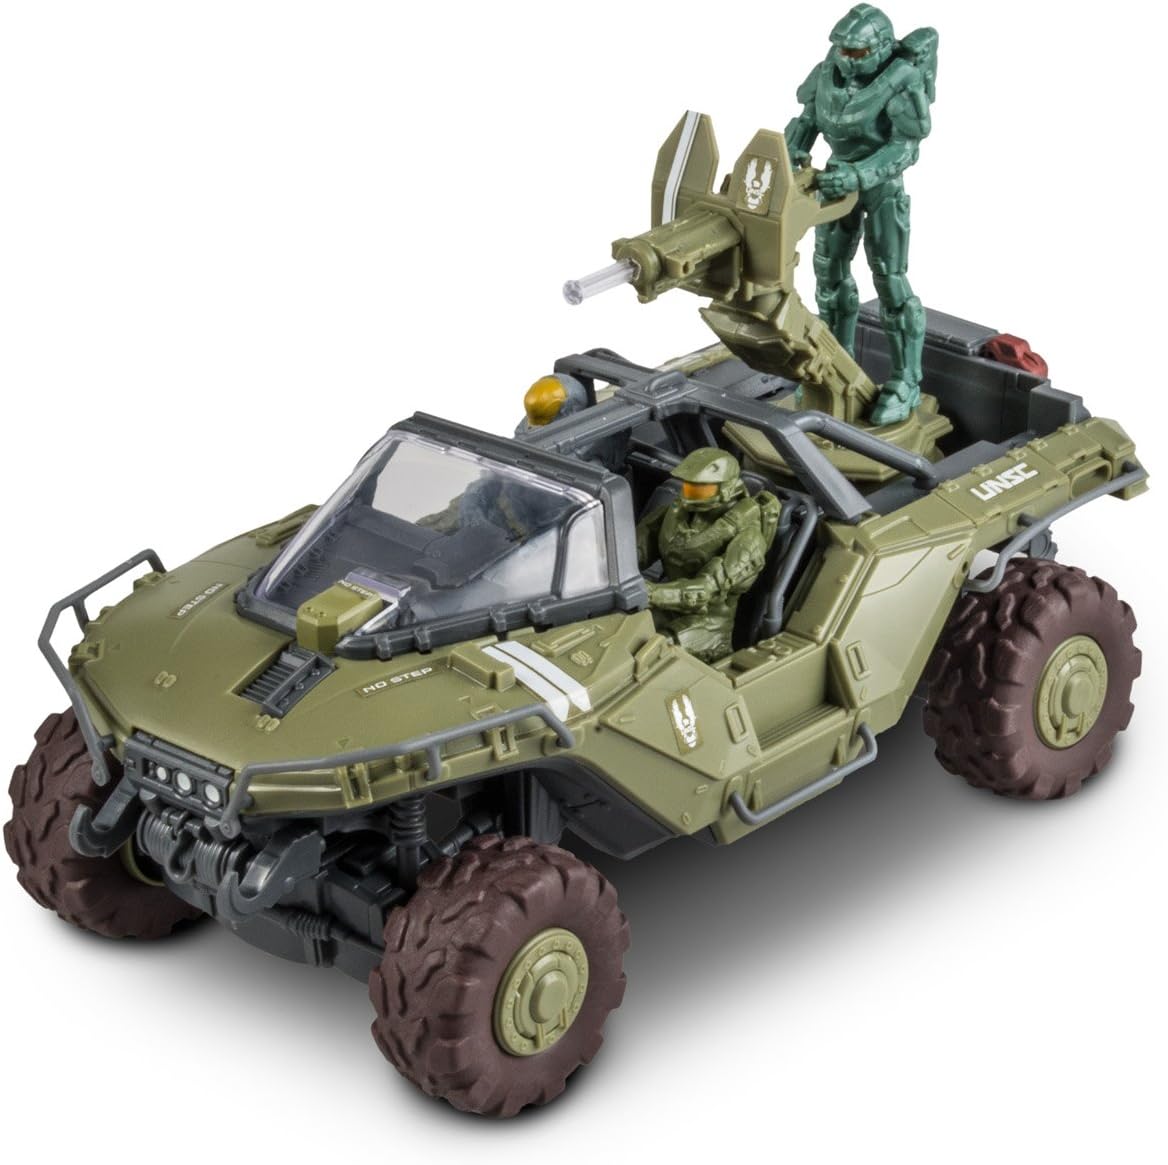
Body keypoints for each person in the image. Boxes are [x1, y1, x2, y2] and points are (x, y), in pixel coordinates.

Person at [785, 5, 938, 425]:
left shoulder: (900, 80)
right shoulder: (826, 73)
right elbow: (806, 121)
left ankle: (906, 380)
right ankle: (836, 367)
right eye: (842, 49)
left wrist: (859, 174)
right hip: (834, 185)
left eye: (857, 52)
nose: (847, 59)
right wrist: (791, 150)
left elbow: (905, 147)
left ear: (882, 48)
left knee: (890, 282)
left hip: (880, 189)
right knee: (829, 280)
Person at [637, 448, 780, 663]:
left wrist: (651, 593)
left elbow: (704, 590)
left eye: (700, 490)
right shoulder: (676, 513)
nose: (689, 495)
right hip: (666, 607)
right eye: (688, 487)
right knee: (624, 629)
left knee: (654, 652)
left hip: (709, 626)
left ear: (727, 489)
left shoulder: (749, 540)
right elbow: (636, 549)